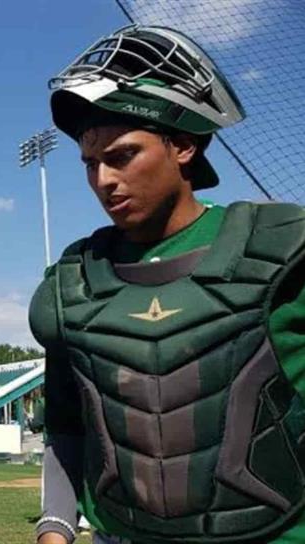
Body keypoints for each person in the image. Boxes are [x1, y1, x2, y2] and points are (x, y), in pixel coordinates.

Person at [30, 25, 305, 544]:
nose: (103, 181)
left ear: (182, 144)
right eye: (91, 164)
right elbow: (67, 425)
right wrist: (55, 529)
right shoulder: (75, 284)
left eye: (122, 155)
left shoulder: (283, 251)